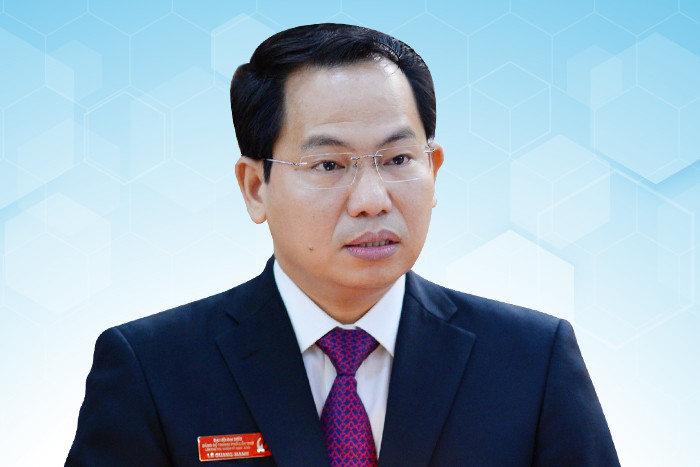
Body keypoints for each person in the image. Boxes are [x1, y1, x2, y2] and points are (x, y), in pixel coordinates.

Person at [66, 23, 619, 466]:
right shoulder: (153, 369)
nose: (372, 200)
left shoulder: (532, 359)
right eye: (329, 165)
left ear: (434, 169)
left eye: (398, 158)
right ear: (255, 188)